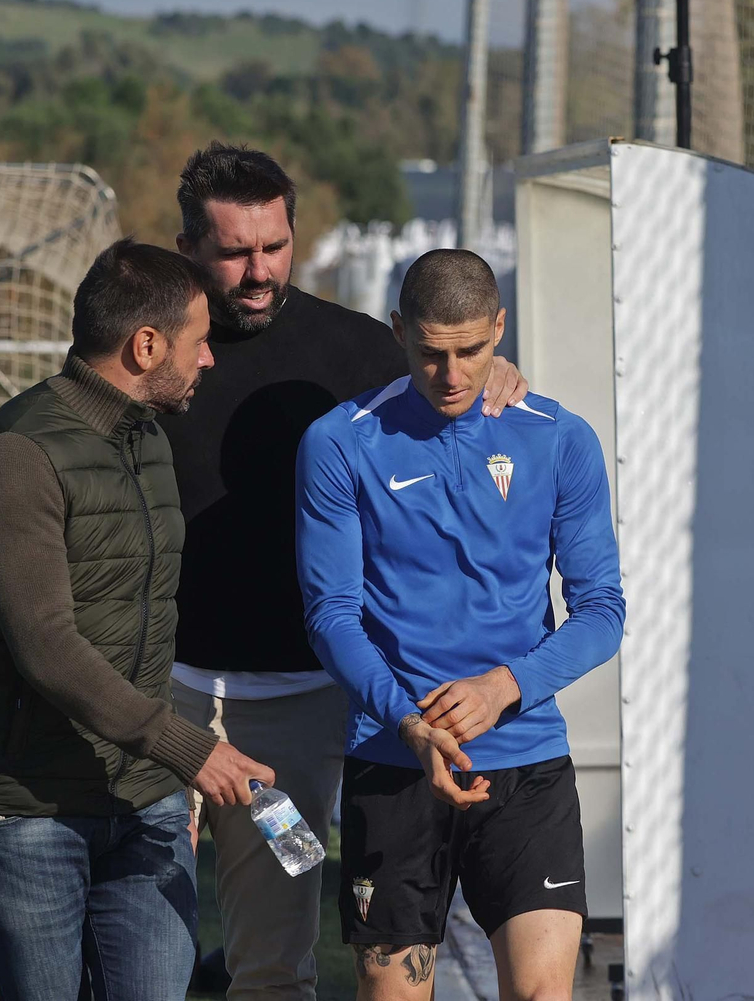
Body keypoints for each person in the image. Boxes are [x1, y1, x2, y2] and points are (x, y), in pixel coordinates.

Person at [160, 142, 527, 1000]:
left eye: (275, 246)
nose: (259, 270)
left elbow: (457, 386)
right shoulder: (155, 350)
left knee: (272, 963)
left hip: (295, 712)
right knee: (132, 942)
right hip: (155, 696)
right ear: (188, 251)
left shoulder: (358, 353)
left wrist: (500, 376)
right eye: (235, 252)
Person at [0, 237, 273, 1001]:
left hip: (145, 802)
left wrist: (162, 778)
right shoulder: (16, 456)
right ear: (146, 344)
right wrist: (190, 753)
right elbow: (48, 648)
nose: (210, 361)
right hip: (27, 810)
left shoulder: (150, 439)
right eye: (199, 343)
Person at [294, 249, 625, 1001]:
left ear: (500, 329)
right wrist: (410, 721)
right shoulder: (341, 443)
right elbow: (331, 615)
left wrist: (507, 686)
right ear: (397, 331)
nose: (452, 374)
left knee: (544, 993)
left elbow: (603, 610)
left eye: (472, 351)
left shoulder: (559, 439)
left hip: (527, 763)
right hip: (396, 758)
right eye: (431, 352)